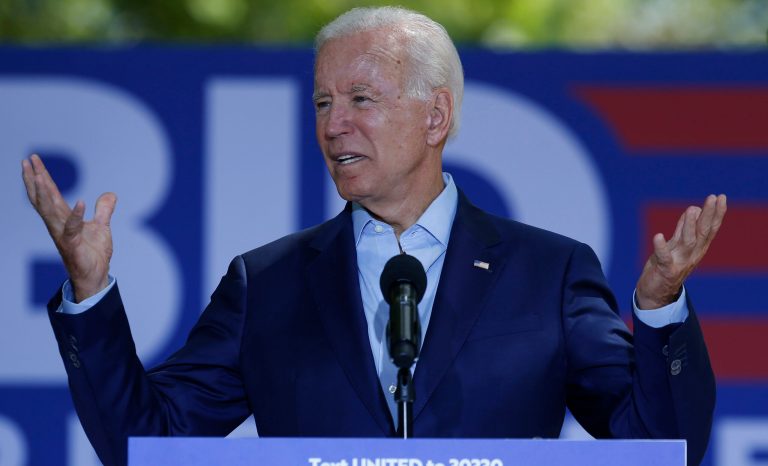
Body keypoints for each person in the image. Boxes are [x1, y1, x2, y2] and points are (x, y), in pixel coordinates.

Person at [22, 6, 726, 466]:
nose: (334, 126)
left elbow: (658, 446)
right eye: (323, 102)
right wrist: (91, 292)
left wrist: (659, 309)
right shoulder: (265, 284)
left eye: (361, 99)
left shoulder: (548, 272)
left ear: (435, 116)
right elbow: (146, 443)